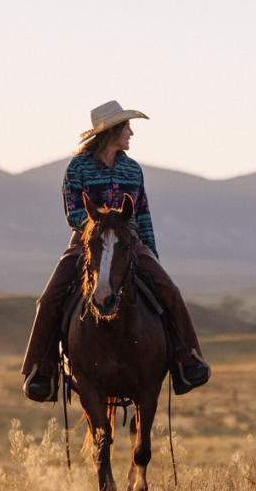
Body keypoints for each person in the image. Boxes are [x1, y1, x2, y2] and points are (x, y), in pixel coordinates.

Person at [22, 100, 211, 401]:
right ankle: (40, 370)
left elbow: (143, 214)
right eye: (127, 128)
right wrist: (102, 228)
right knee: (49, 299)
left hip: (129, 242)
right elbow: (73, 212)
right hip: (88, 242)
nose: (131, 133)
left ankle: (188, 360)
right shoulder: (78, 168)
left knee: (169, 290)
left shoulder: (132, 170)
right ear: (112, 132)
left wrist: (151, 255)